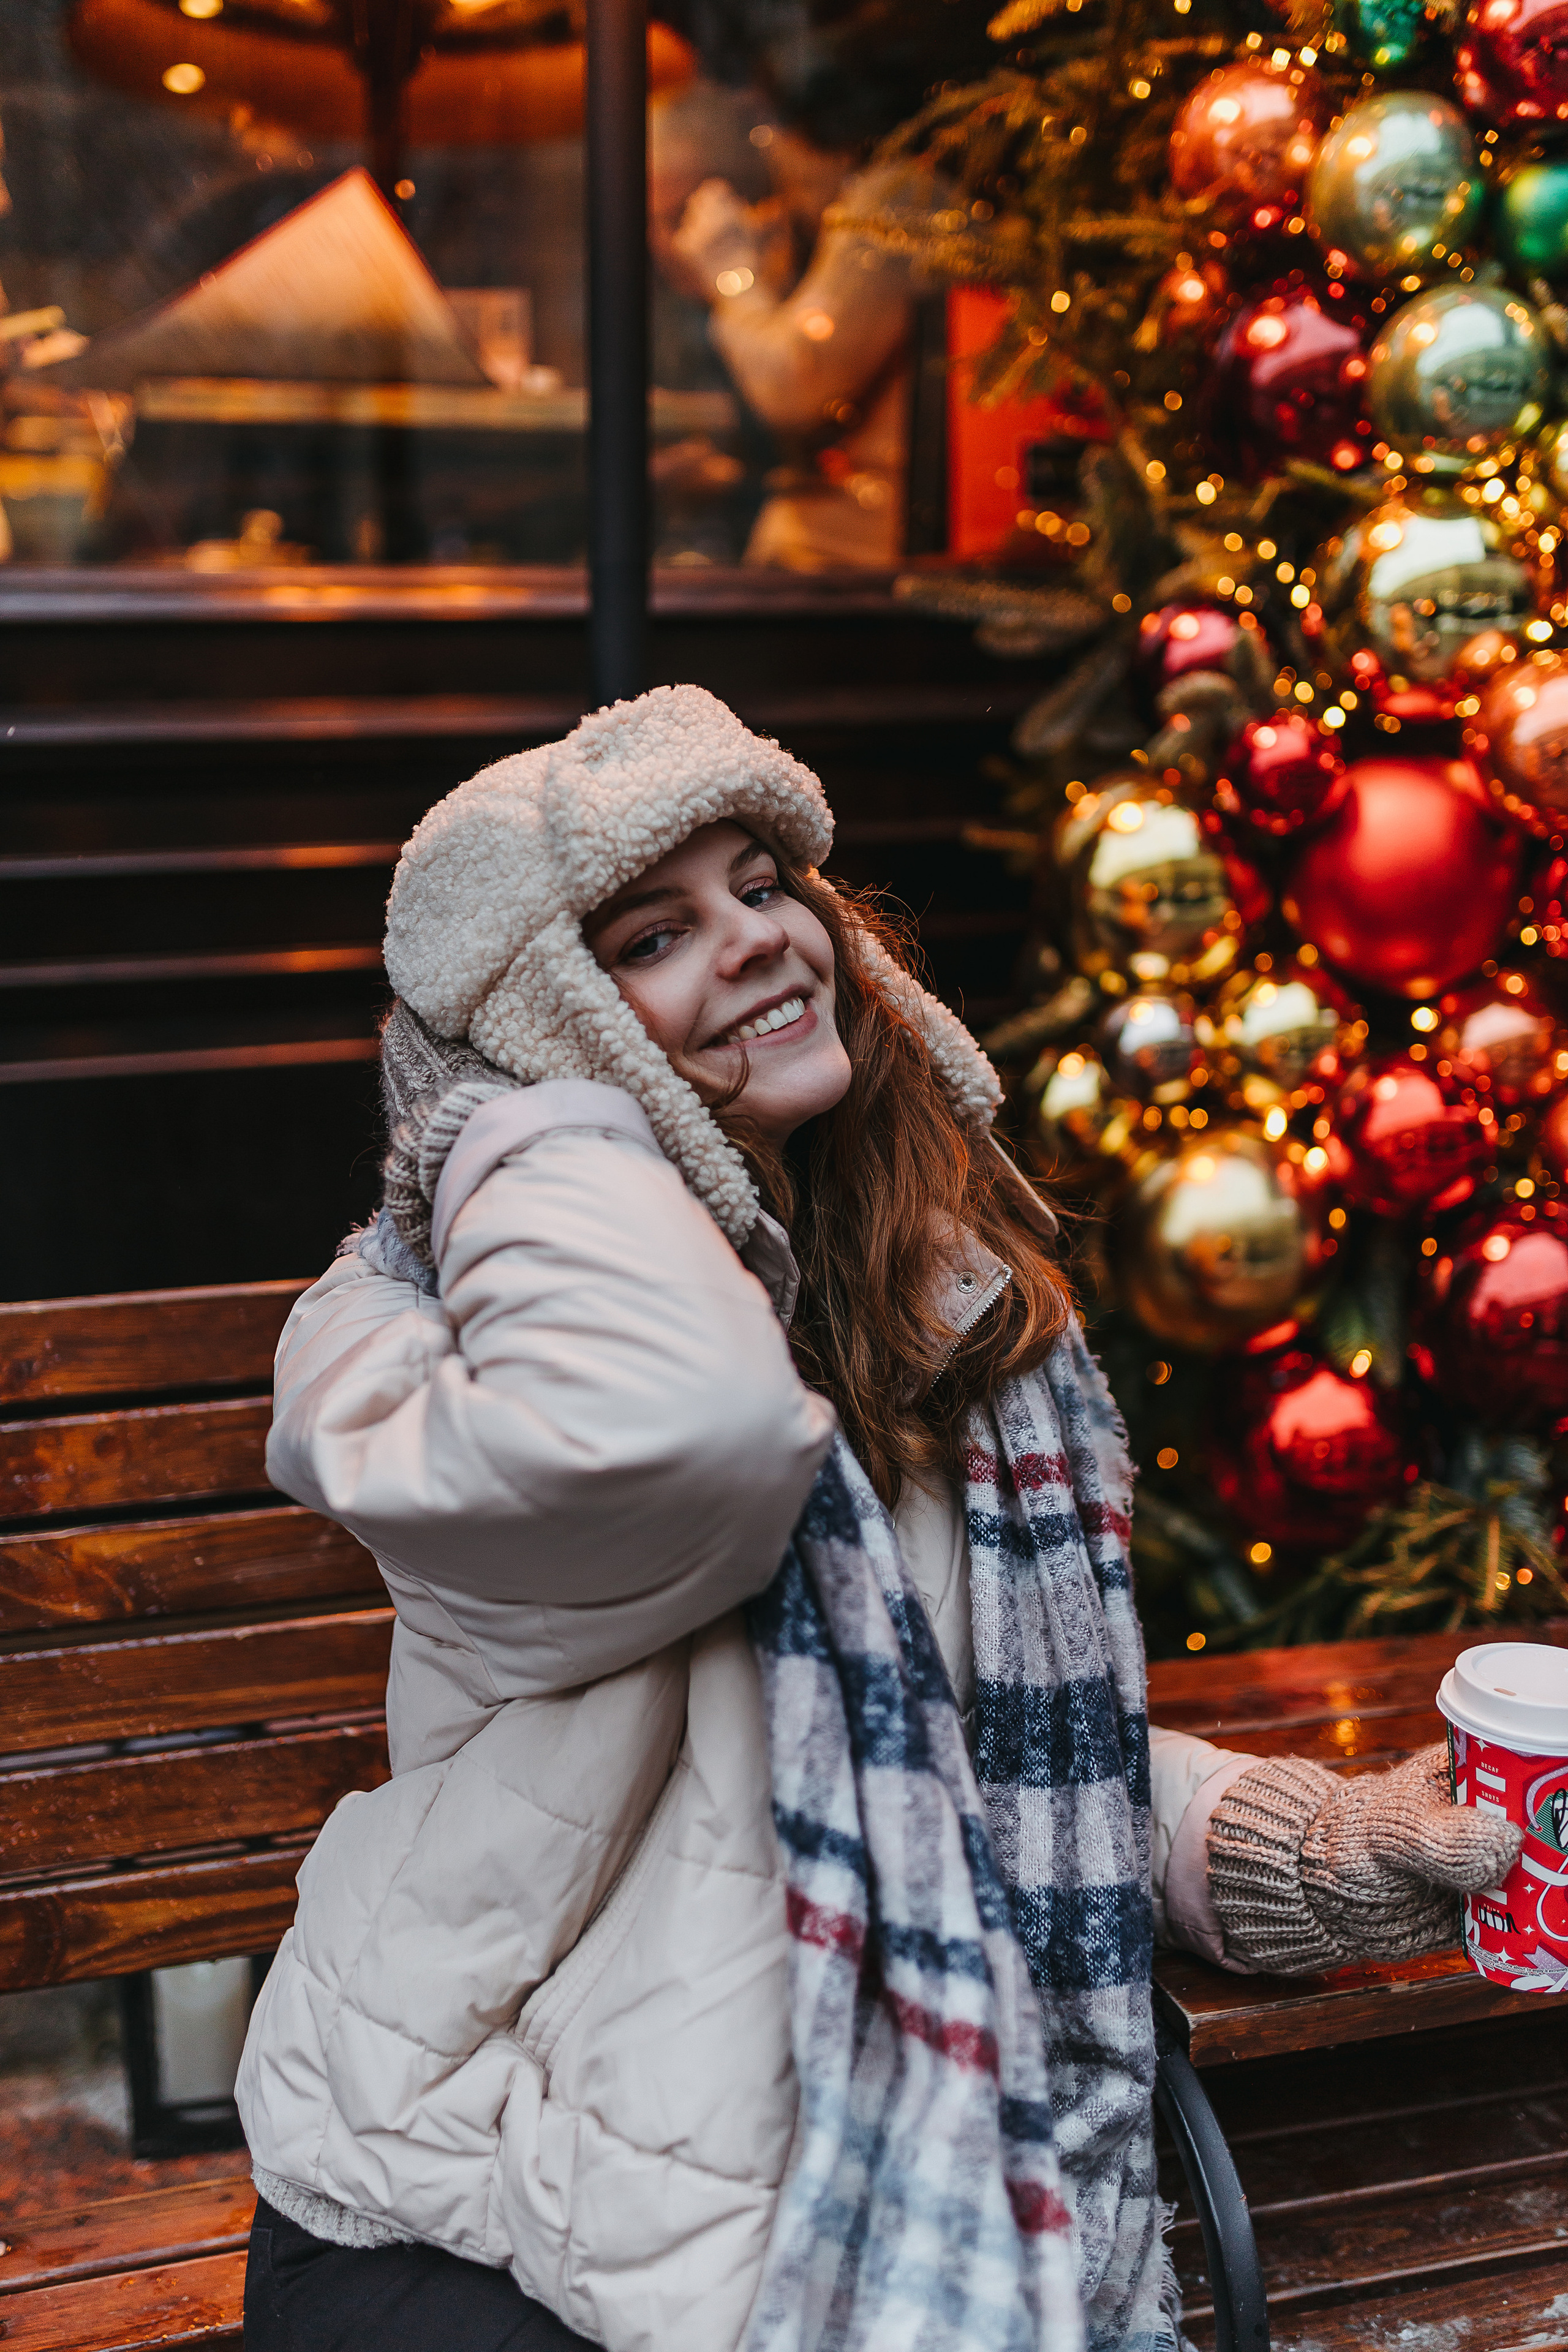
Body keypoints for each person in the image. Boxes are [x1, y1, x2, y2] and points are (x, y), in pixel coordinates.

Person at [238, 684, 1518, 2352]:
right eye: (652, 936)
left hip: (811, 2193)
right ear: (549, 1023)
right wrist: (515, 1122)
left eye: (766, 887)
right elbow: (683, 1431)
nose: (757, 940)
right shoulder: (418, 1345)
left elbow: (979, 1755)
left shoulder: (919, 1306)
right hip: (481, 2214)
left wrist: (1298, 1854)